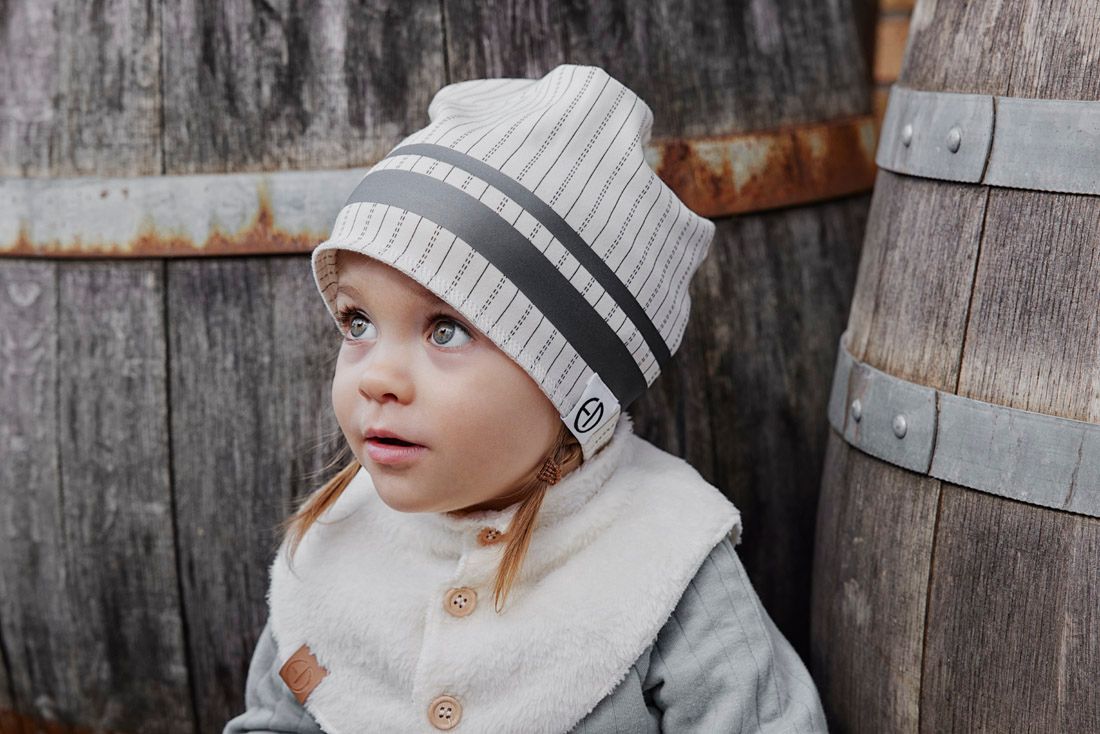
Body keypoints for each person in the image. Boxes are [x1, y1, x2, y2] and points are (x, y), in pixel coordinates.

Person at [224, 63, 827, 733]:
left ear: (573, 388)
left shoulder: (665, 554)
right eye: (357, 322)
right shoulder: (334, 547)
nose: (375, 377)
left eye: (446, 330)